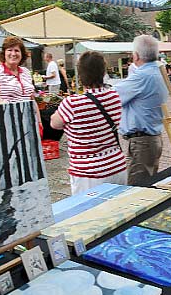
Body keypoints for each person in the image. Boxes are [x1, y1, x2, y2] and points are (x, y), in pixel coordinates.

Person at [50, 51, 127, 195]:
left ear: (80, 74)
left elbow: (54, 123)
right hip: (117, 166)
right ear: (103, 72)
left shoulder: (72, 103)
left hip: (88, 174)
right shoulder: (114, 96)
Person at [114, 35, 169, 185]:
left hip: (143, 141)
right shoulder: (157, 72)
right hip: (150, 138)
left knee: (136, 189)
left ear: (136, 55)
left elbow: (112, 96)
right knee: (144, 184)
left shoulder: (142, 76)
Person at [0, 36, 36, 102]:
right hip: (6, 111)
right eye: (10, 50)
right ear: (4, 53)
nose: (13, 54)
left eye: (17, 50)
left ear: (22, 54)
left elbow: (32, 99)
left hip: (28, 111)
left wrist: (37, 112)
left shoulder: (26, 72)